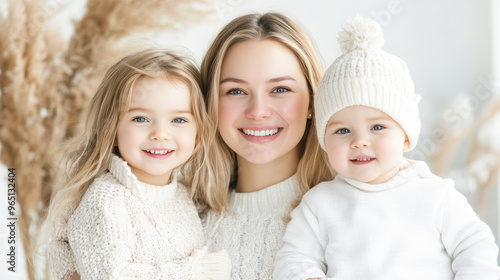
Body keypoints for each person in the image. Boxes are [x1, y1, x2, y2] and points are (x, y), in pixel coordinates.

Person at [273, 16, 500, 280]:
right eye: (342, 131)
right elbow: (293, 258)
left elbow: (475, 246)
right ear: (325, 143)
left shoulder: (436, 195)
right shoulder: (319, 204)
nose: (360, 141)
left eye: (377, 127)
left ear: (405, 136)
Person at [38, 49, 231, 280]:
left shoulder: (182, 197)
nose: (160, 133)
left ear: (198, 135)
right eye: (140, 119)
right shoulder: (106, 201)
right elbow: (108, 276)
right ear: (112, 130)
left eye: (178, 120)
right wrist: (194, 271)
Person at [199, 13, 335, 280]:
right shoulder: (187, 216)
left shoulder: (345, 213)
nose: (258, 111)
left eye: (280, 89)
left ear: (312, 102)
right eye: (236, 91)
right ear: (210, 104)